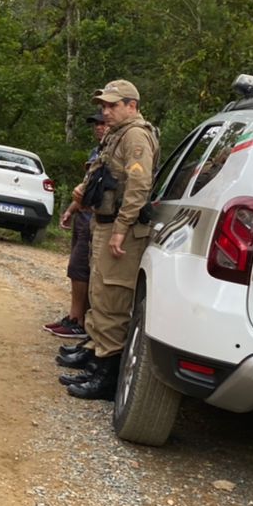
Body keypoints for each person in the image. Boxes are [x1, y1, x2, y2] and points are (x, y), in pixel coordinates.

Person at [57, 80, 160, 400]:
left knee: (113, 300)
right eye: (103, 105)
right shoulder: (118, 134)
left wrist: (121, 227)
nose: (105, 111)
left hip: (122, 229)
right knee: (100, 294)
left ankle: (107, 374)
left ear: (132, 105)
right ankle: (96, 356)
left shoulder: (135, 136)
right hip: (105, 222)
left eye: (112, 105)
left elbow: (139, 185)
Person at [43, 112, 110, 339]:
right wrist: (71, 210)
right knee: (77, 269)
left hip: (94, 218)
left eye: (103, 123)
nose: (98, 127)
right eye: (96, 124)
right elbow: (86, 187)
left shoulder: (114, 151)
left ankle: (78, 321)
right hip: (83, 215)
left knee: (80, 267)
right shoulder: (96, 151)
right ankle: (75, 317)